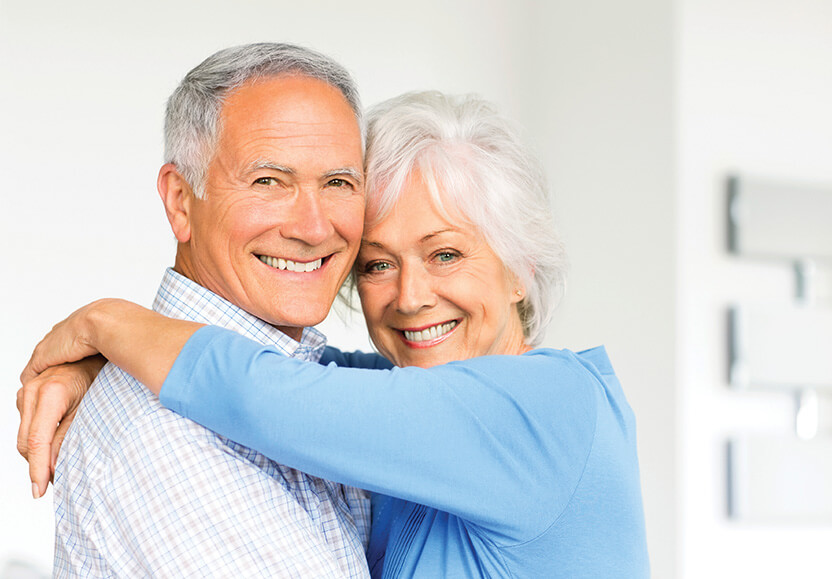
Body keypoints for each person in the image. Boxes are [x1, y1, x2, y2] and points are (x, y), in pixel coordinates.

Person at [20, 92, 651, 577]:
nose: (410, 297)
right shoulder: (406, 400)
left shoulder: (547, 405)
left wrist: (104, 322)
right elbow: (290, 370)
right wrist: (101, 363)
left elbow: (267, 393)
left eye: (446, 255)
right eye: (378, 263)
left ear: (520, 269)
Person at [21, 43, 375, 577]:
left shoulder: (313, 381)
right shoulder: (164, 439)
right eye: (268, 182)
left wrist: (106, 330)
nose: (315, 227)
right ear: (181, 201)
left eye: (338, 183)